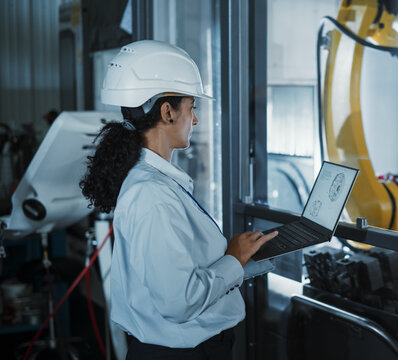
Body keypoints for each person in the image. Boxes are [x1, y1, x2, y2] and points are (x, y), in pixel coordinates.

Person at [79, 40, 277, 359]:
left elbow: (182, 270)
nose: (195, 120)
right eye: (192, 107)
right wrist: (234, 259)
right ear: (168, 112)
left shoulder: (153, 182)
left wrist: (243, 259)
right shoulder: (151, 194)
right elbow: (179, 302)